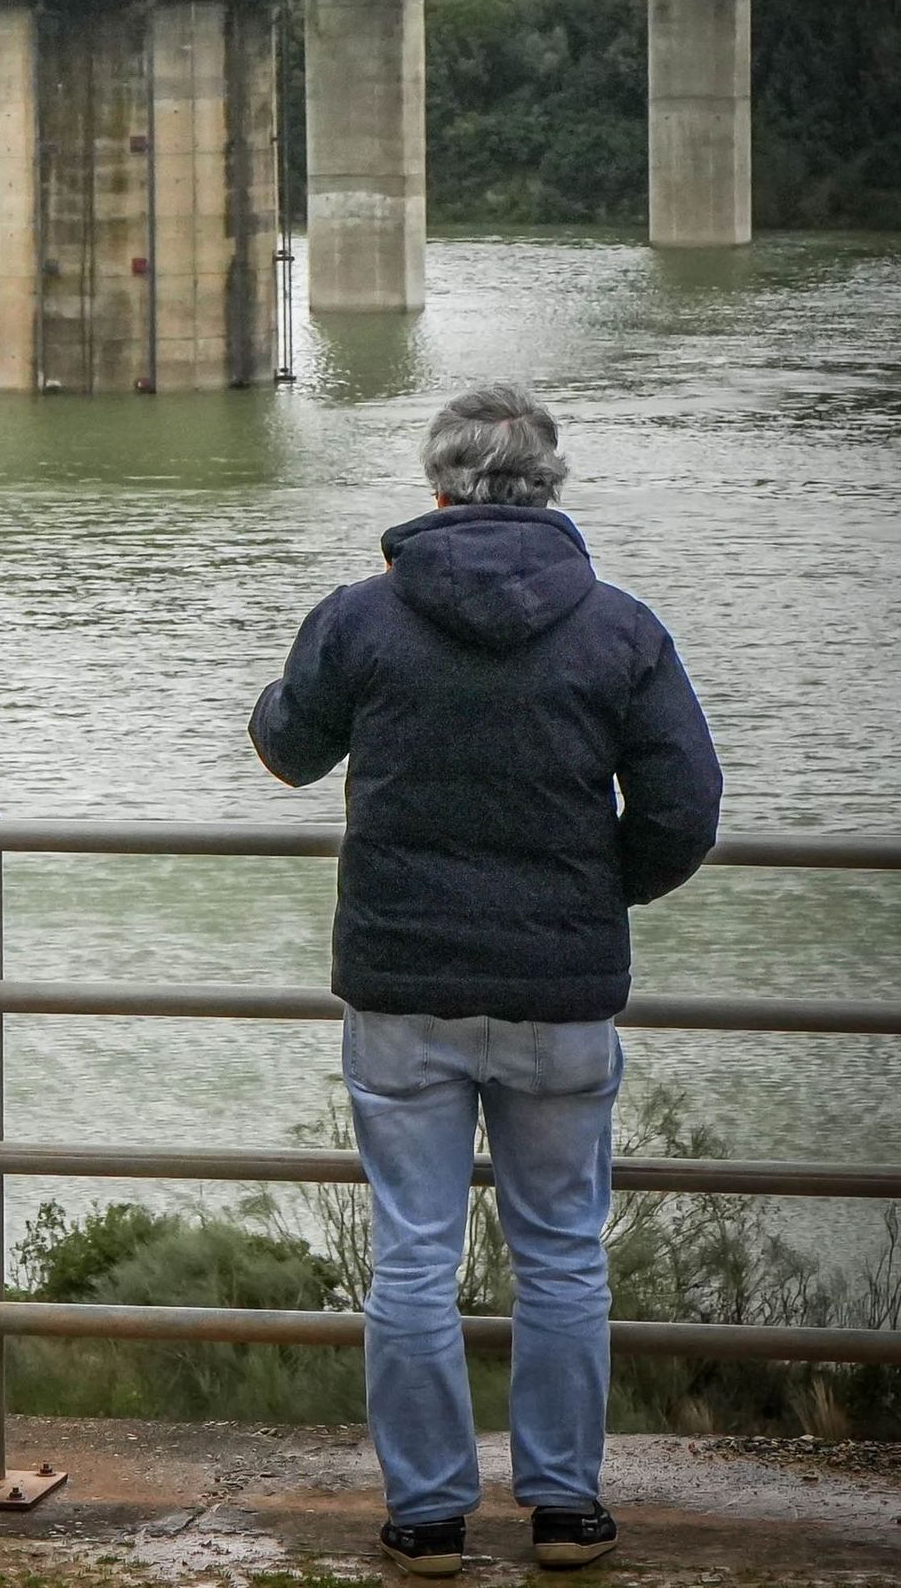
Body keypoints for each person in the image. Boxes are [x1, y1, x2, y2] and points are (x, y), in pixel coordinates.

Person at [249, 385, 721, 1578]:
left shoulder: (363, 618)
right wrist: (596, 895)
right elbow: (684, 810)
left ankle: (426, 1517)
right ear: (548, 486)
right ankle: (564, 1508)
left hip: (402, 990)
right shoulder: (620, 627)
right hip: (560, 997)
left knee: (412, 1251)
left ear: (438, 487)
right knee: (562, 1249)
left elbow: (285, 750)